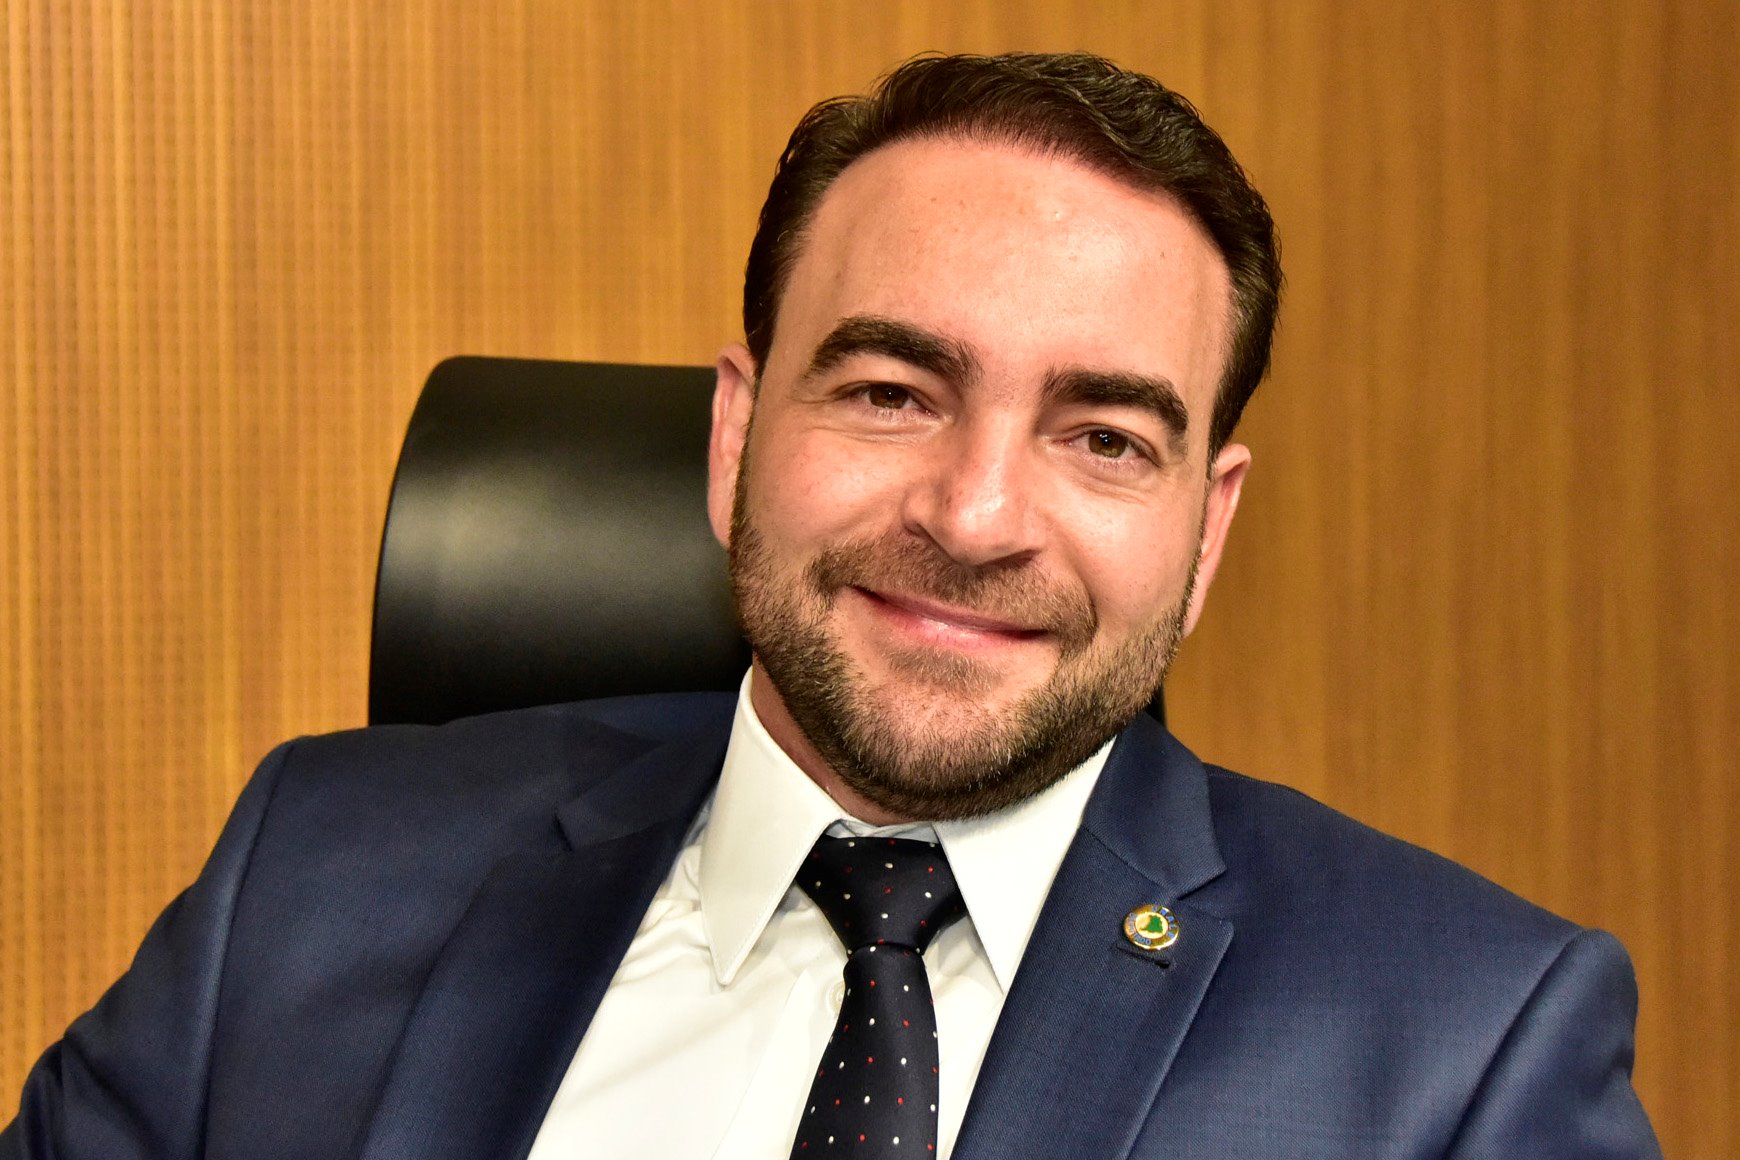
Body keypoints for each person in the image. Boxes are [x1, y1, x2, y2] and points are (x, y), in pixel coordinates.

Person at [3, 52, 1659, 1160]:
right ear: (736, 437)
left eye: (1103, 436)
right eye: (888, 393)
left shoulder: (1463, 1049)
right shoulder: (307, 880)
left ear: (1206, 530)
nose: (975, 516)